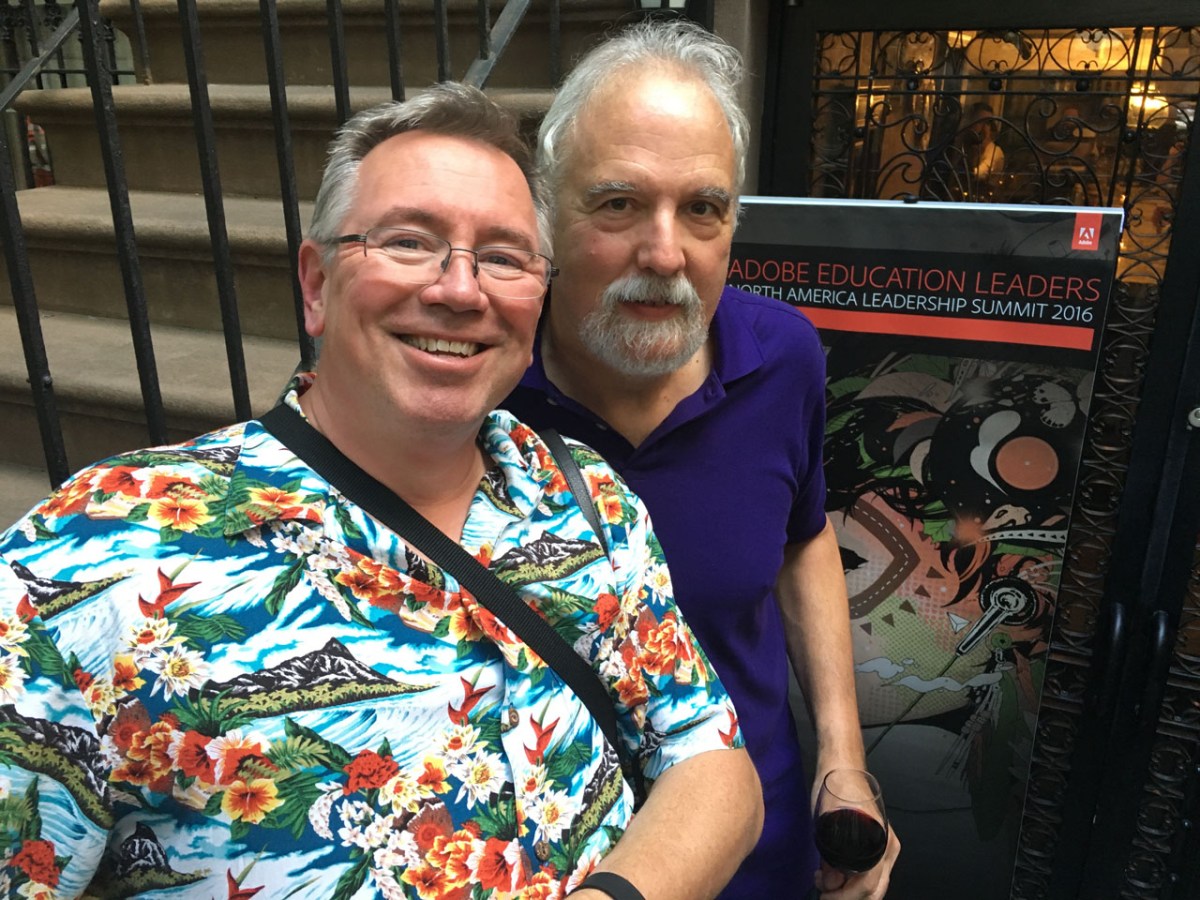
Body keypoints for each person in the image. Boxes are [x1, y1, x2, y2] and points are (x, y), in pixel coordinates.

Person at [0, 84, 762, 899]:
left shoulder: (586, 496)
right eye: (407, 242)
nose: (460, 290)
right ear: (316, 284)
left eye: (504, 257)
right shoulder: (87, 565)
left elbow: (712, 760)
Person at [502, 21, 900, 900]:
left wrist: (842, 759)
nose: (664, 253)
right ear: (546, 214)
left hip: (756, 842)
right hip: (546, 871)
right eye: (618, 203)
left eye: (702, 209)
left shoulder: (782, 359)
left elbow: (802, 538)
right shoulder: (479, 387)